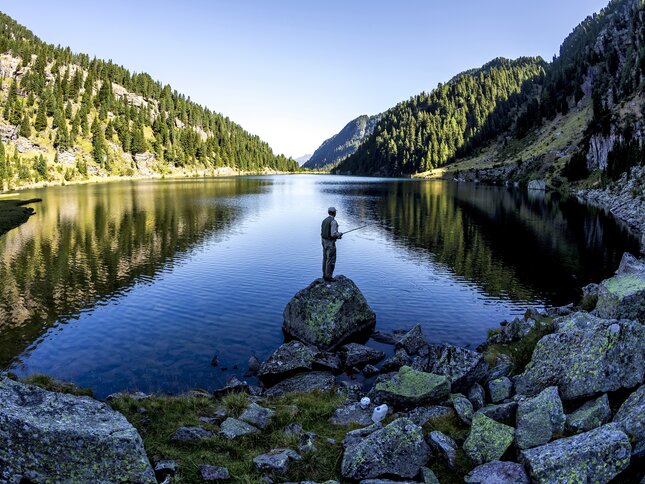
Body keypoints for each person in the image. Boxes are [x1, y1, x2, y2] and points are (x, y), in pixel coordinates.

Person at [321, 207, 342, 281]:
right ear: (334, 213)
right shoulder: (333, 222)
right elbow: (333, 234)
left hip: (324, 241)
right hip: (330, 243)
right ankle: (328, 277)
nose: (336, 213)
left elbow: (325, 232)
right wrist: (339, 234)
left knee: (325, 258)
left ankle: (324, 274)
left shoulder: (324, 220)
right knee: (331, 259)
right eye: (335, 212)